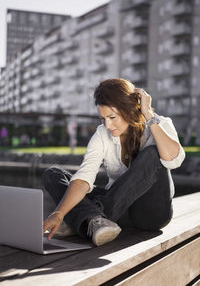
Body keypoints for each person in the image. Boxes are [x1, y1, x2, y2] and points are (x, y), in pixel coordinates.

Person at [43, 78, 185, 246]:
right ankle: (90, 221)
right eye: (103, 118)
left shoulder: (158, 124)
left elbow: (173, 159)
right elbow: (85, 177)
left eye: (112, 117)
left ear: (129, 109)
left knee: (153, 154)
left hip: (151, 215)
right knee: (53, 174)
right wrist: (58, 214)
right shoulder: (102, 134)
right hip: (120, 213)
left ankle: (86, 220)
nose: (107, 125)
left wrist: (148, 114)